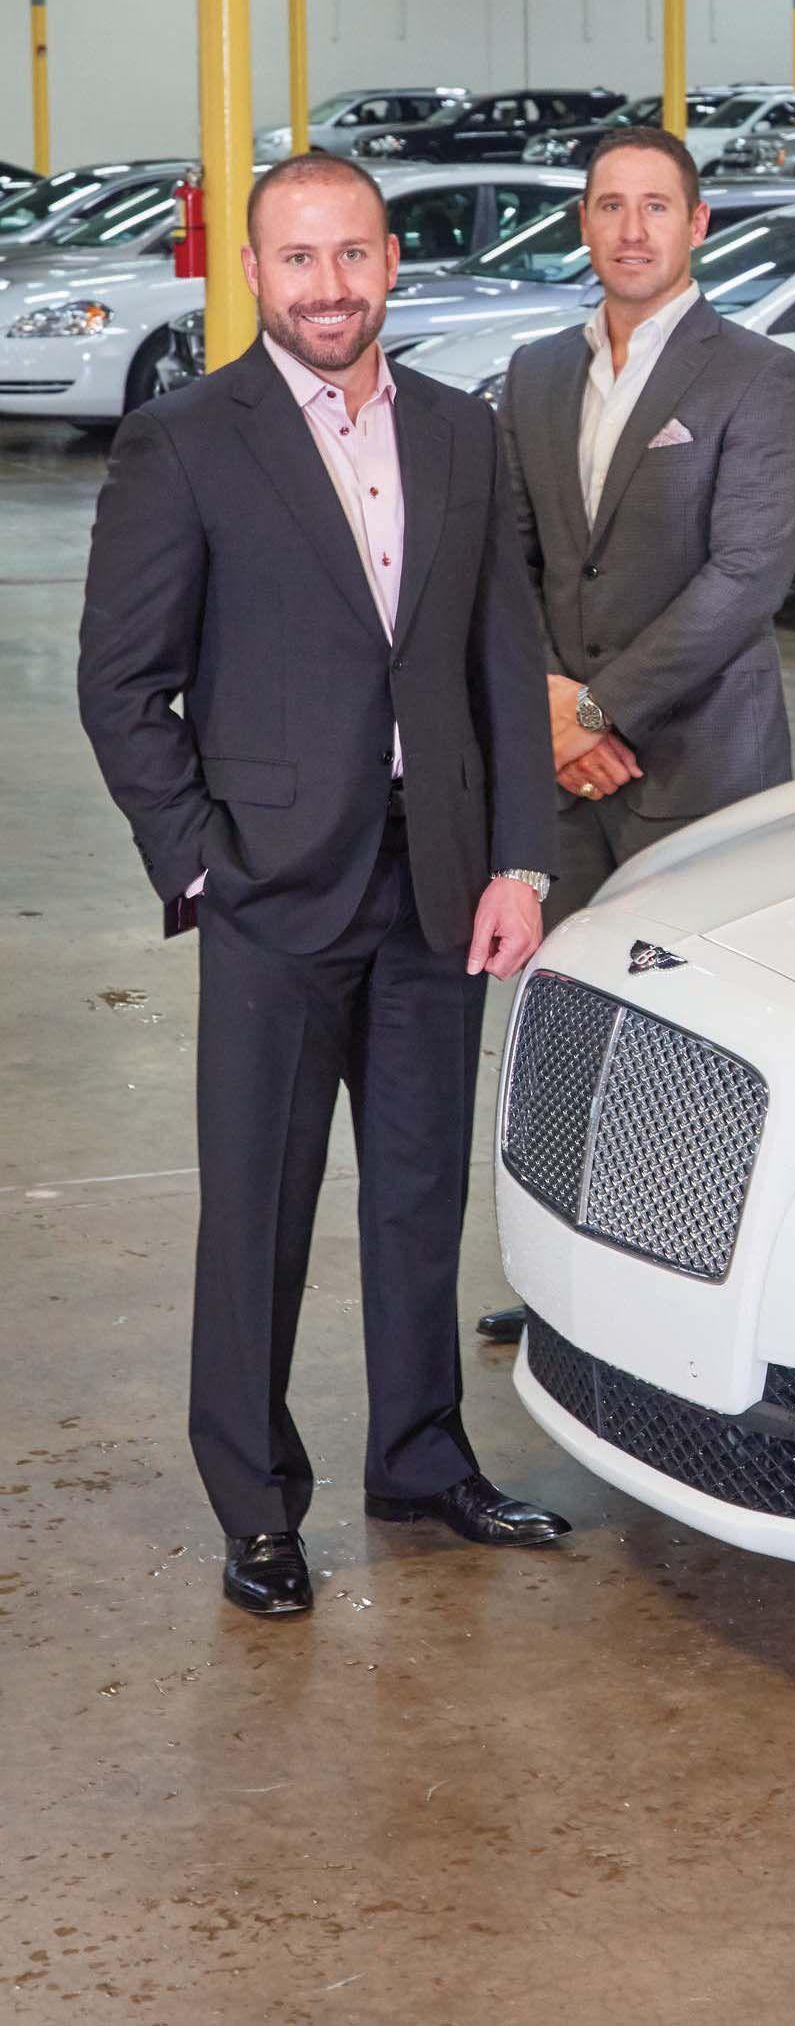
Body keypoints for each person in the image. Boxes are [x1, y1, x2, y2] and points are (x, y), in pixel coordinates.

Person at [77, 155, 568, 1621]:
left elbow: (502, 663)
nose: (329, 286)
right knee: (259, 1212)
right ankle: (256, 1503)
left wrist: (519, 856)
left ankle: (419, 1458)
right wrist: (200, 859)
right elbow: (121, 685)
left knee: (419, 1192)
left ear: (391, 261)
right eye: (298, 259)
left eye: (352, 254)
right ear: (252, 273)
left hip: (438, 876)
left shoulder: (462, 431)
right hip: (273, 888)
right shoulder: (184, 441)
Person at [475, 124, 795, 1347]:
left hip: (701, 767)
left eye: (655, 206)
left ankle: (676, 1316)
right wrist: (547, 706)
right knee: (564, 1032)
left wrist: (594, 708)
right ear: (583, 223)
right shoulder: (534, 374)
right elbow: (506, 560)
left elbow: (743, 579)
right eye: (609, 205)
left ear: (696, 224)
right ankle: (562, 1290)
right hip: (561, 775)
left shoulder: (756, 377)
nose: (630, 228)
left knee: (692, 1048)